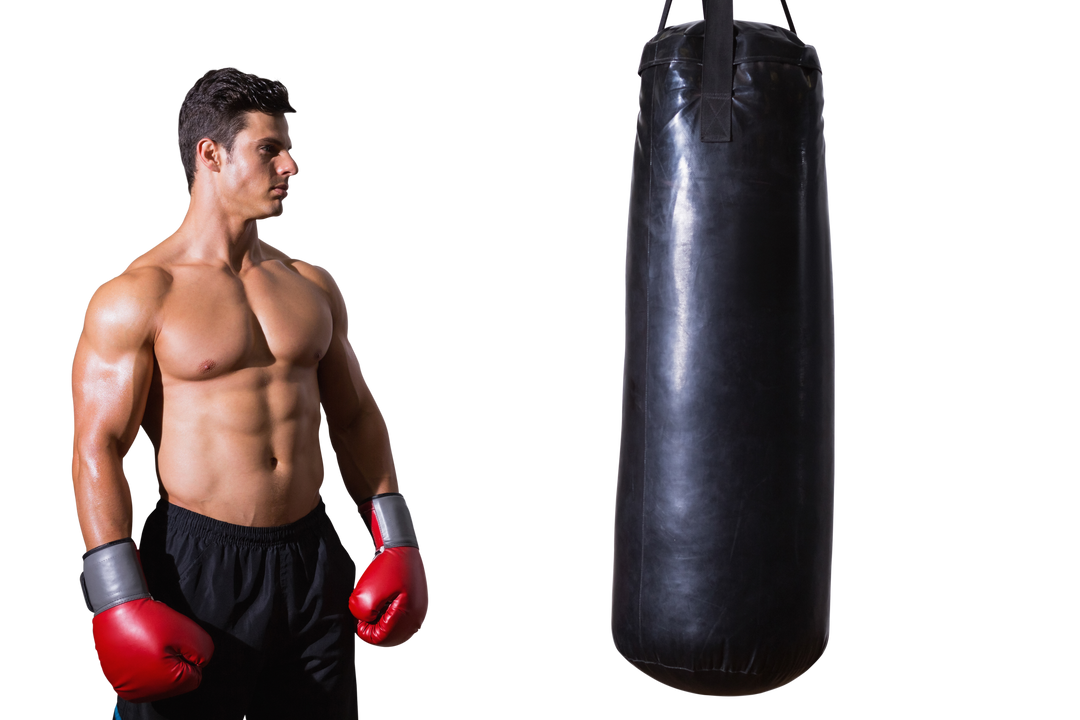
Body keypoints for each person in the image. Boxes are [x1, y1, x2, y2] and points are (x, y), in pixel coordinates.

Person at [69, 64, 430, 719]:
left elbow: (355, 418)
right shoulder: (140, 294)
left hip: (314, 554)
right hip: (197, 567)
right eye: (270, 149)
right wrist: (117, 598)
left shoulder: (312, 283)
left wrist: (397, 539)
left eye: (289, 149)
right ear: (210, 154)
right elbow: (98, 449)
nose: (291, 166)